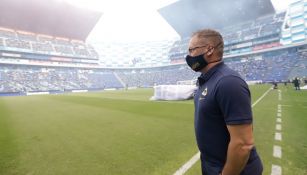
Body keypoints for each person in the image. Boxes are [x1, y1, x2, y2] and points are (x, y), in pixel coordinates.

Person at [185, 29, 263, 175]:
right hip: (212, 165)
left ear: (209, 49)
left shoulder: (227, 82)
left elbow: (243, 144)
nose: (188, 56)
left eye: (191, 50)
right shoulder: (205, 81)